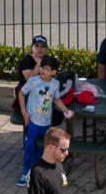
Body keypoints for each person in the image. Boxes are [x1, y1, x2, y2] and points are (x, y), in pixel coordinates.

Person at [17, 54, 74, 186]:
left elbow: (56, 99)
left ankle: (38, 172)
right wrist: (24, 111)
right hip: (33, 122)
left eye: (47, 68)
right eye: (42, 67)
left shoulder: (55, 84)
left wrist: (65, 110)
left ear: (54, 72)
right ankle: (26, 172)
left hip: (46, 123)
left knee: (42, 148)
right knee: (30, 147)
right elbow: (21, 93)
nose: (43, 70)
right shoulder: (33, 81)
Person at [26, 127, 72, 194]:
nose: (67, 153)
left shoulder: (58, 165)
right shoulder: (38, 173)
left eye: (68, 149)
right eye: (63, 150)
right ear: (50, 147)